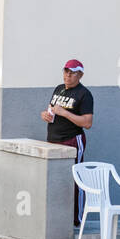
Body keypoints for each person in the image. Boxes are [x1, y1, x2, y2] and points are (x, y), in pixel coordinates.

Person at [40, 59, 93, 225]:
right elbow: (51, 109)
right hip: (53, 140)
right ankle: (57, 219)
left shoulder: (84, 94)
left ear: (80, 75)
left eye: (72, 73)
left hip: (72, 140)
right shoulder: (59, 89)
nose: (68, 76)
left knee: (74, 180)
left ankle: (77, 219)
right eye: (66, 72)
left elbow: (87, 123)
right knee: (56, 180)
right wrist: (46, 115)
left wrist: (65, 113)